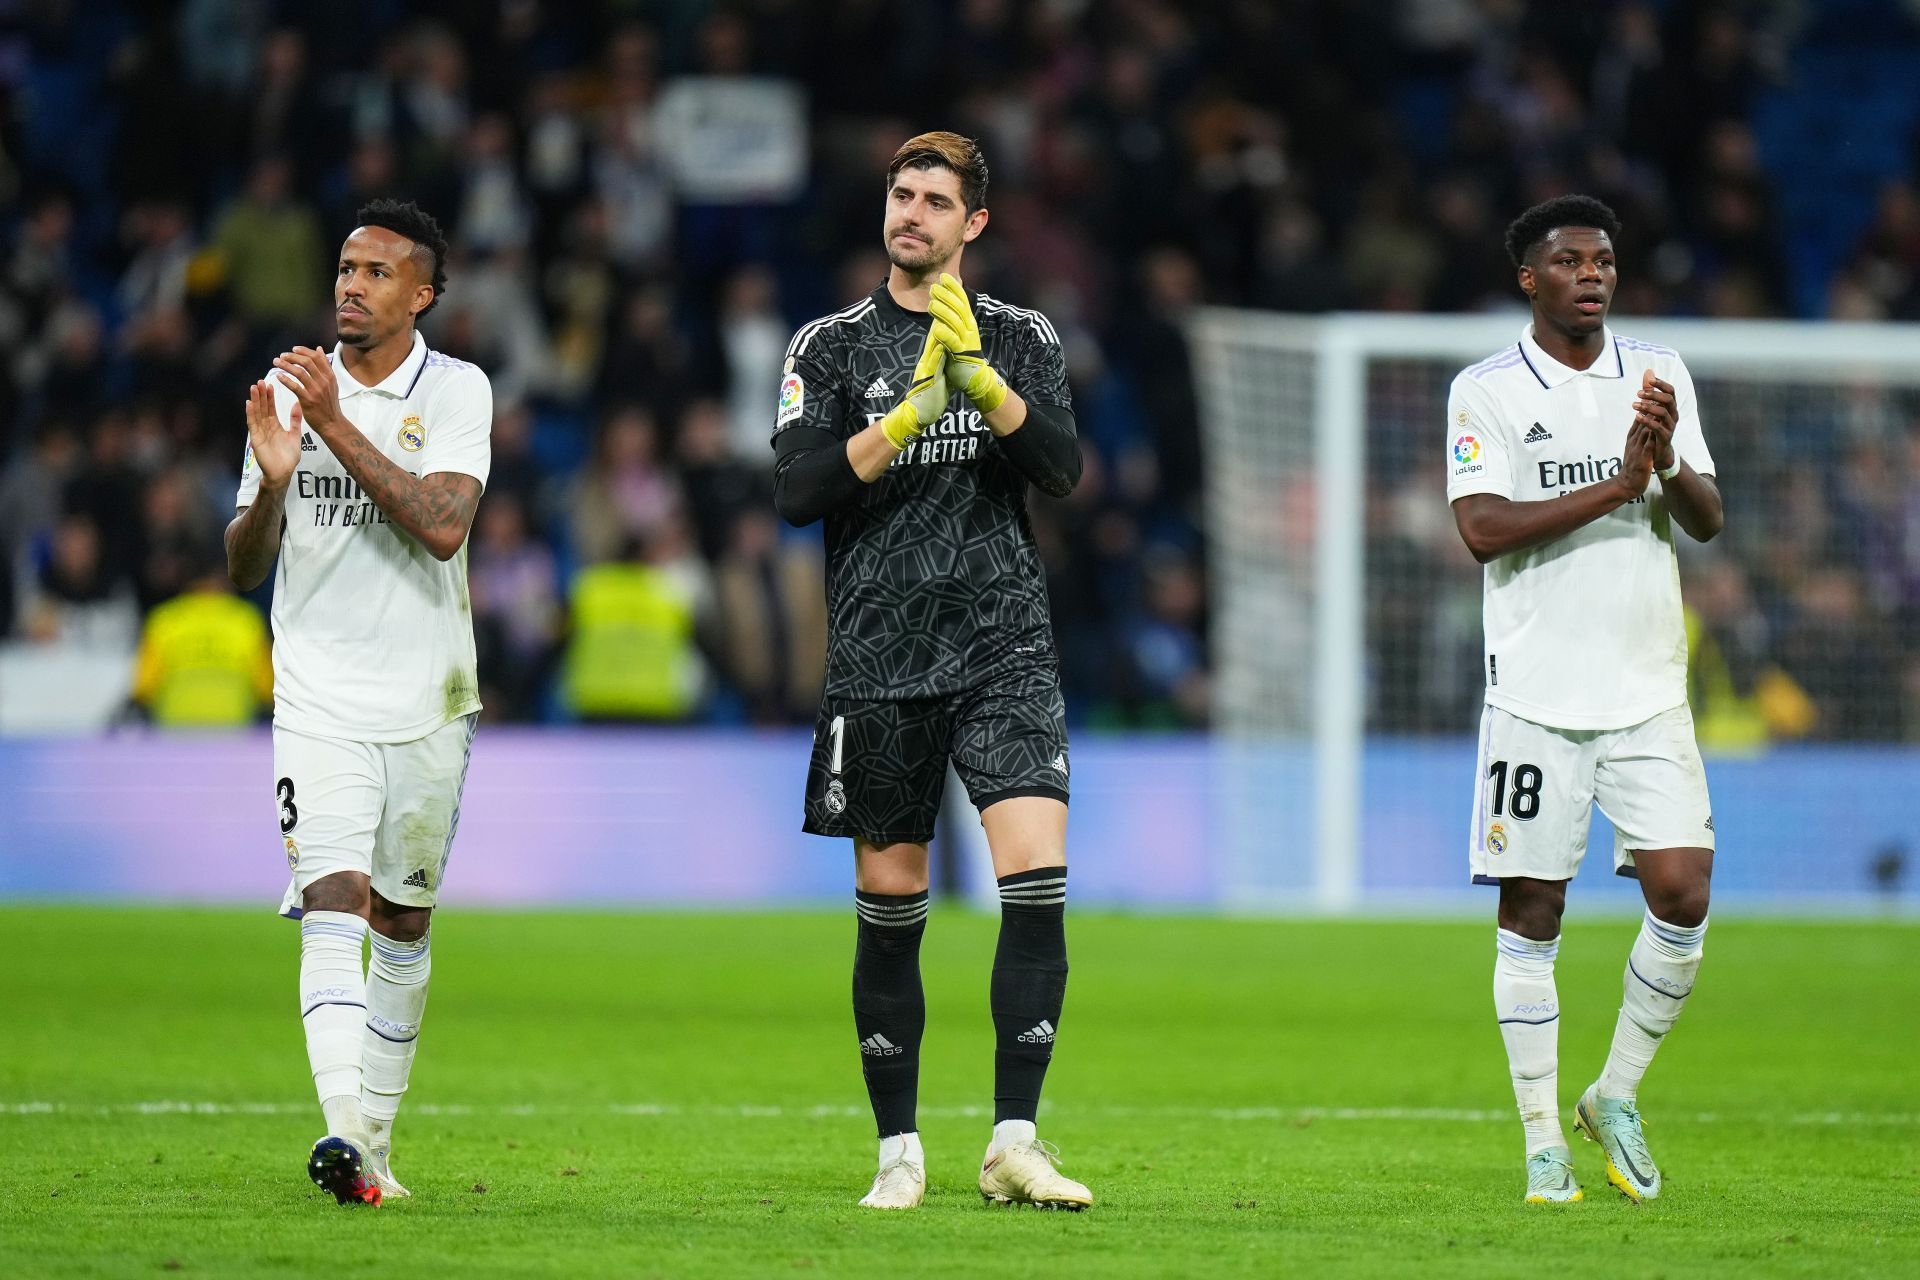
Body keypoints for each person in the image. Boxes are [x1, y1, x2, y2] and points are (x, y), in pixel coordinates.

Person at [771, 132, 1089, 1211]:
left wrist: (979, 382)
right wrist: (905, 413)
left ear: (974, 223)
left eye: (935, 200)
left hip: (1005, 646)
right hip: (878, 659)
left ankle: (1014, 1138)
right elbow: (797, 489)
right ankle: (898, 1150)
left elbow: (1061, 466)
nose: (911, 213)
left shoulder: (1021, 334)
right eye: (901, 195)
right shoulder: (827, 344)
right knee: (891, 902)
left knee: (1036, 882)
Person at [1447, 195, 1725, 1205]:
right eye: (1568, 260)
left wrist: (1668, 461)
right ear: (1530, 278)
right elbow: (1480, 526)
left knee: (1684, 892)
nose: (1593, 274)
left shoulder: (1660, 376)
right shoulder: (1483, 391)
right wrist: (1616, 484)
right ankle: (1539, 1141)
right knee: (1535, 908)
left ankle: (1612, 1092)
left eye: (1604, 259)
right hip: (1534, 692)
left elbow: (1706, 517)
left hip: (1648, 685)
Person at [225, 199, 491, 1207]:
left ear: (421, 294)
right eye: (345, 265)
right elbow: (244, 565)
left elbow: (441, 526)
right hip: (317, 696)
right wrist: (273, 490)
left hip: (430, 694)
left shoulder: (458, 391)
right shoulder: (286, 396)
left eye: (377, 271)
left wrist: (333, 424)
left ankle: (373, 1143)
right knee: (332, 898)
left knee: (404, 917)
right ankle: (341, 1131)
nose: (350, 282)